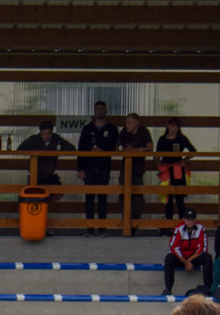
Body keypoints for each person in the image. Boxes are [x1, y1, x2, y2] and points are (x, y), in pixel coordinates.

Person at [77, 101, 119, 236]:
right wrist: (80, 168)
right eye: (97, 109)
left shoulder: (112, 129)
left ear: (106, 111)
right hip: (89, 167)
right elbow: (81, 149)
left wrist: (103, 150)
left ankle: (102, 228)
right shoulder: (87, 129)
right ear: (94, 111)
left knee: (102, 198)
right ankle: (89, 228)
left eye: (102, 109)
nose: (99, 111)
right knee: (89, 198)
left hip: (104, 167)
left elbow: (114, 146)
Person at [155, 118, 196, 224]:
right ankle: (168, 223)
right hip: (167, 170)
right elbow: (157, 155)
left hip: (178, 170)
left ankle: (182, 223)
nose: (174, 129)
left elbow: (193, 151)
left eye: (176, 127)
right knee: (168, 198)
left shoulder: (182, 139)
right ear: (168, 126)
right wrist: (158, 163)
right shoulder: (162, 139)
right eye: (172, 126)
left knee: (179, 198)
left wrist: (185, 160)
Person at [164, 208, 211, 296]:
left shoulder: (201, 228)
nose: (190, 222)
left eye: (192, 219)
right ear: (184, 219)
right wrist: (186, 262)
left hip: (194, 258)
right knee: (169, 258)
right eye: (188, 219)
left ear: (195, 219)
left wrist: (189, 260)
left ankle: (208, 288)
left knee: (207, 257)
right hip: (181, 258)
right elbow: (173, 248)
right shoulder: (179, 228)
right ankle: (168, 289)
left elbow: (203, 247)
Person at [116, 113, 152, 224]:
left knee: (137, 200)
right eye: (126, 122)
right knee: (124, 197)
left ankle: (135, 225)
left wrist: (133, 150)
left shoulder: (144, 132)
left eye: (129, 122)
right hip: (125, 171)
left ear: (136, 123)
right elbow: (118, 148)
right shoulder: (124, 132)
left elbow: (150, 148)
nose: (127, 125)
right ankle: (125, 224)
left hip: (138, 171)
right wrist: (139, 150)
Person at [18, 120, 73, 186]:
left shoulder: (56, 141)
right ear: (40, 132)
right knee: (33, 191)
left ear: (51, 133)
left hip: (49, 176)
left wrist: (59, 140)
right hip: (35, 176)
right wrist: (36, 151)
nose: (46, 136)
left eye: (48, 133)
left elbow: (72, 149)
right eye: (43, 133)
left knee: (59, 189)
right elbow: (20, 149)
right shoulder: (33, 140)